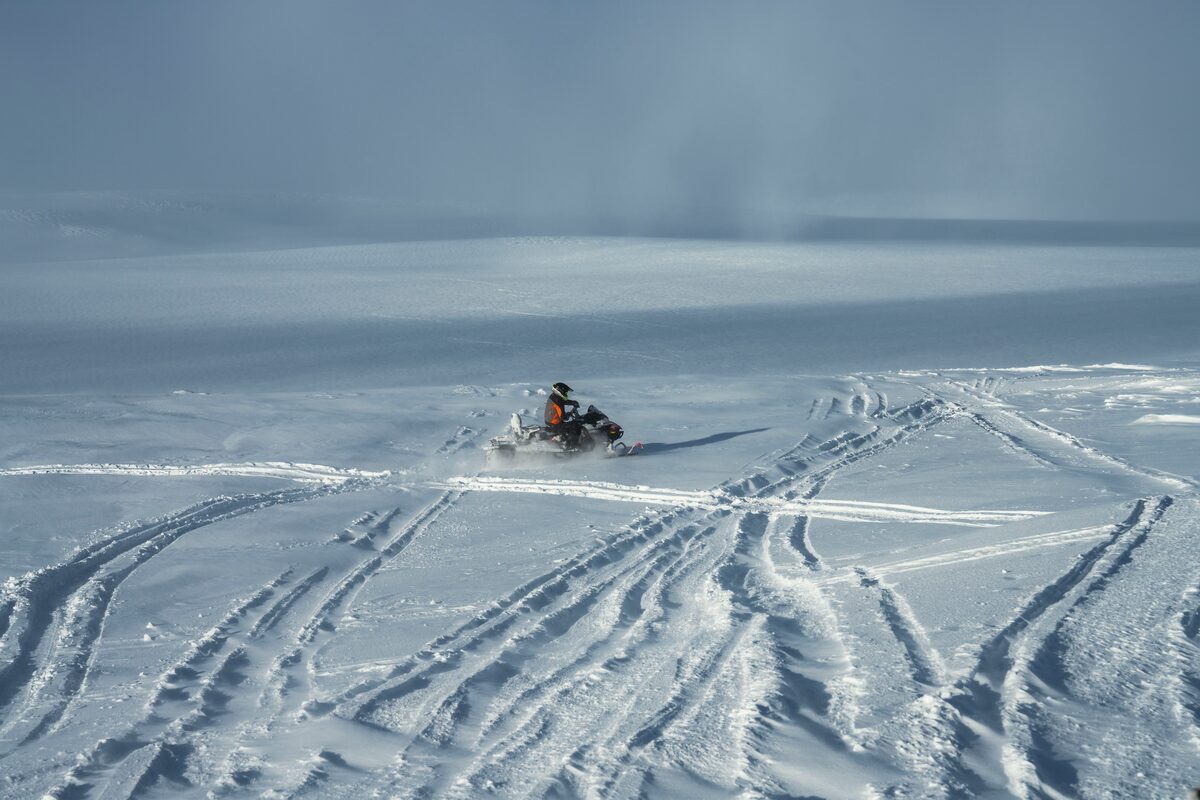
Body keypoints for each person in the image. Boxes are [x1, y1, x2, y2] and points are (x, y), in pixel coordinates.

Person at [544, 381, 582, 447]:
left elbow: (563, 401)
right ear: (560, 391)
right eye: (565, 392)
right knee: (576, 427)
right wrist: (569, 414)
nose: (566, 393)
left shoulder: (554, 397)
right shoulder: (558, 401)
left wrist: (573, 402)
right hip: (555, 424)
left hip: (551, 422)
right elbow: (563, 417)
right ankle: (572, 447)